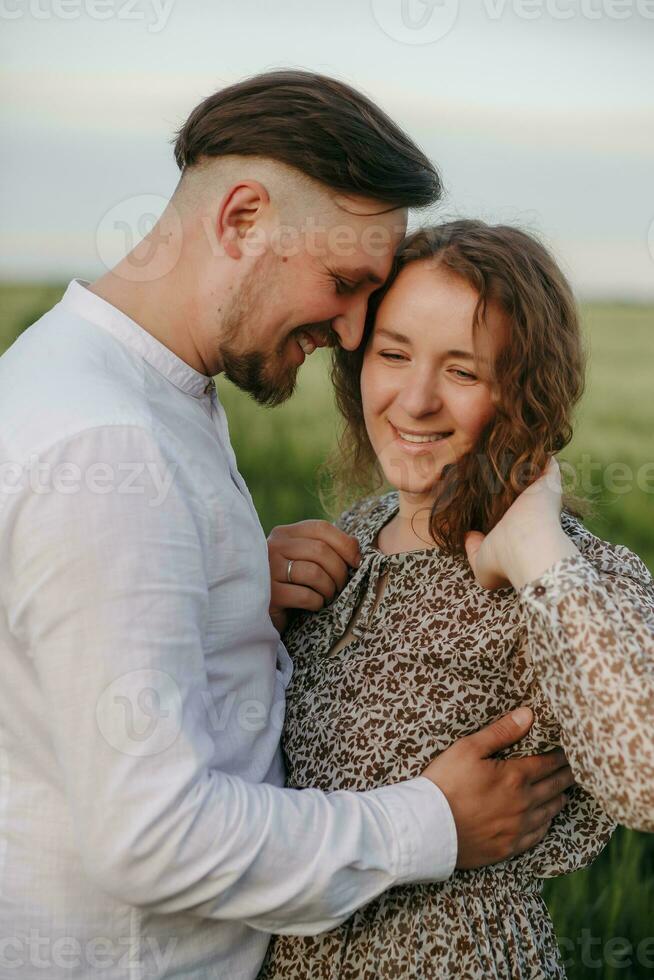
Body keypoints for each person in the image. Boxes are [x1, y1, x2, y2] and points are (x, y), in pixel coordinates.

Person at [0, 73, 574, 980]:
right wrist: (433, 821)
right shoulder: (110, 446)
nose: (353, 335)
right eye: (344, 283)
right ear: (241, 219)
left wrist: (222, 593)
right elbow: (153, 838)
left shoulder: (105, 382)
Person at [263, 220, 654, 978]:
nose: (414, 399)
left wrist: (538, 549)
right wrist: (251, 606)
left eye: (463, 371)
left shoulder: (574, 579)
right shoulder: (341, 546)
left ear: (524, 390)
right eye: (393, 353)